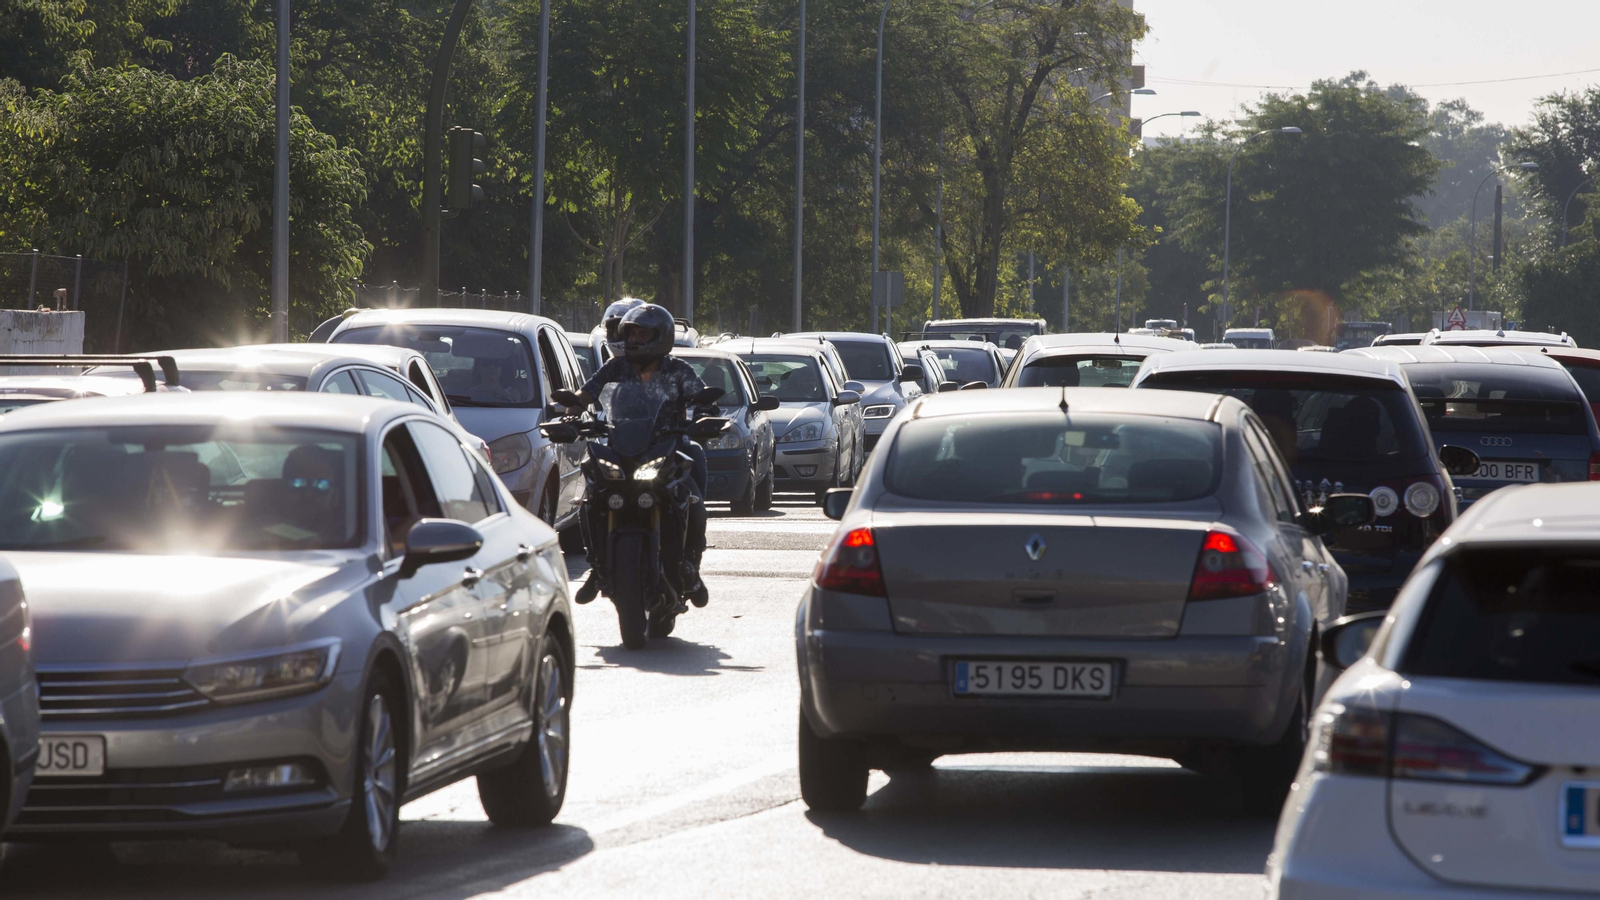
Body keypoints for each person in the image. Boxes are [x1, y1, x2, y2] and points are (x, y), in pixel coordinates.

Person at [567, 303, 712, 608]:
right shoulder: (614, 368)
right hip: (621, 447)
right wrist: (570, 413)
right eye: (631, 333)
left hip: (667, 446)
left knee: (694, 501)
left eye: (642, 333)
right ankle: (597, 566)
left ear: (660, 336)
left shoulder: (677, 370)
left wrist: (704, 413)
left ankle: (689, 566)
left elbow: (701, 395)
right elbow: (587, 393)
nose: (634, 339)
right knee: (589, 501)